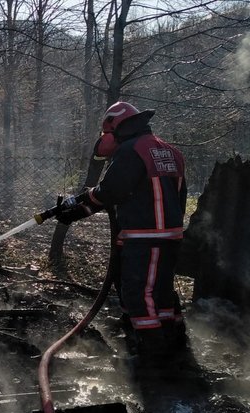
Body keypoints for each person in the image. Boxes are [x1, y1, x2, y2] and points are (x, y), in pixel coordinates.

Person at [58, 101, 188, 356]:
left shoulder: (131, 150)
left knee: (138, 293)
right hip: (170, 235)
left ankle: (153, 355)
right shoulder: (171, 152)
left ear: (116, 126)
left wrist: (78, 208)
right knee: (160, 292)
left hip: (144, 237)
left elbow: (112, 191)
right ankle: (176, 345)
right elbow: (171, 194)